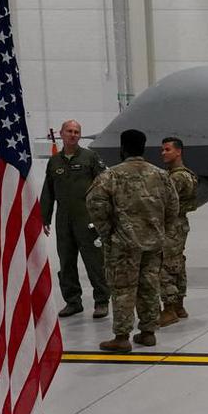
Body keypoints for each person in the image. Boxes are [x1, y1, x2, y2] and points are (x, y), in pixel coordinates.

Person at [86, 129, 178, 353]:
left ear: (123, 148)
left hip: (124, 244)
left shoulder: (112, 175)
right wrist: (160, 230)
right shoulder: (160, 175)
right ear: (144, 148)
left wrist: (108, 232)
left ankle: (121, 336)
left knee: (123, 289)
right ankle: (148, 333)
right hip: (154, 243)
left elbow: (94, 203)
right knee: (149, 286)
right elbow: (174, 206)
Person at [40, 119, 110, 318]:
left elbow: (105, 185)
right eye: (69, 131)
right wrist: (44, 217)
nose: (73, 134)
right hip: (64, 221)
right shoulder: (54, 162)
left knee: (95, 262)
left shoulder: (90, 157)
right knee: (66, 262)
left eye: (76, 131)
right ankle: (73, 301)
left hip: (87, 220)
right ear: (61, 134)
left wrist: (104, 215)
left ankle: (101, 301)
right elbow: (48, 191)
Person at [157, 136, 199, 327]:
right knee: (177, 263)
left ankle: (169, 309)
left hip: (171, 226)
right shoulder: (184, 174)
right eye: (163, 150)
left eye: (167, 149)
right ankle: (179, 306)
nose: (163, 153)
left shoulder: (177, 177)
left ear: (178, 151)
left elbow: (162, 201)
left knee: (165, 266)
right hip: (179, 224)